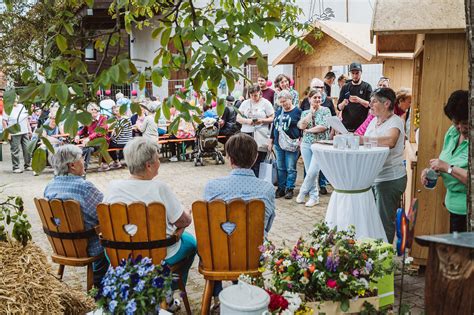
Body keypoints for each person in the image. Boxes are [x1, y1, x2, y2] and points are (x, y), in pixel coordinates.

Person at [104, 137, 196, 288]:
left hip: (119, 253)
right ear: (149, 166)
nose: (159, 161)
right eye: (157, 158)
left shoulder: (112, 187)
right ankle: (171, 292)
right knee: (191, 243)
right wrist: (186, 212)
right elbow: (184, 221)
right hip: (158, 254)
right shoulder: (160, 188)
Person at [203, 133, 276, 298]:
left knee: (215, 242)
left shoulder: (212, 187)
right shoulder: (267, 189)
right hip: (252, 255)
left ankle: (216, 296)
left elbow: (208, 224)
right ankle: (243, 290)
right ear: (256, 157)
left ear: (229, 158)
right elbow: (267, 225)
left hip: (217, 255)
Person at [44, 145, 108, 287]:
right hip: (87, 246)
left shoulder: (49, 187)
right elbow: (105, 213)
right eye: (81, 159)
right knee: (112, 239)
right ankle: (99, 285)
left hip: (61, 246)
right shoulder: (85, 187)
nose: (84, 162)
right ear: (72, 165)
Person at [421, 90, 468, 232]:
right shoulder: (452, 133)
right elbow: (446, 161)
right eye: (455, 123)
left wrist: (447, 167)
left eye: (464, 123)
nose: (459, 127)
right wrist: (434, 170)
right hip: (453, 207)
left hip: (468, 211)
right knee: (457, 253)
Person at [365, 88, 407, 243]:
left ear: (387, 103)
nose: (370, 104)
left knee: (384, 222)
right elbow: (362, 138)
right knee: (373, 220)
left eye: (374, 101)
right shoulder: (373, 121)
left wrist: (363, 141)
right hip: (374, 177)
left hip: (389, 179)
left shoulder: (395, 121)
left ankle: (384, 258)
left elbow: (390, 141)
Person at [296, 89, 331, 207]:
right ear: (309, 99)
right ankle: (314, 197)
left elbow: (324, 126)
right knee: (310, 171)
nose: (317, 99)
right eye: (315, 97)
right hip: (306, 144)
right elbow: (301, 125)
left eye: (319, 97)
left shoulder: (326, 110)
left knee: (313, 171)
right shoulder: (305, 112)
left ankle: (302, 191)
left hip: (320, 144)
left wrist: (308, 130)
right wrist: (311, 113)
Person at [269, 90, 302, 199]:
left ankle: (290, 188)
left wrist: (301, 141)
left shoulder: (297, 111)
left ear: (290, 99)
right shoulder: (279, 111)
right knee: (280, 167)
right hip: (278, 143)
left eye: (285, 101)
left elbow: (301, 127)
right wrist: (271, 140)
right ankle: (281, 188)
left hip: (291, 143)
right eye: (281, 102)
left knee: (290, 167)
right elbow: (274, 126)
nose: (283, 104)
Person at [236, 84, 274, 177]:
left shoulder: (265, 103)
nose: (253, 97)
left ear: (260, 93)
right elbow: (238, 118)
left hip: (260, 134)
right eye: (251, 95)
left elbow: (272, 118)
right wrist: (247, 121)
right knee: (246, 159)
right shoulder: (245, 103)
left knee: (258, 160)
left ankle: (257, 180)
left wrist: (262, 120)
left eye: (255, 95)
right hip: (247, 133)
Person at [337, 63, 373, 132]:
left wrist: (359, 100)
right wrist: (344, 103)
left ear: (361, 73)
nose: (355, 75)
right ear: (350, 73)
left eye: (357, 73)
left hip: (361, 126)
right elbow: (339, 107)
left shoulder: (367, 86)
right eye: (353, 73)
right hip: (346, 126)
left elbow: (370, 105)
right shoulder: (345, 87)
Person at [74, 103, 110, 171]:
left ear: (98, 111)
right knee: (89, 149)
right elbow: (83, 130)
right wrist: (77, 135)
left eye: (95, 109)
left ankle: (76, 161)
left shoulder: (103, 118)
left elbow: (99, 132)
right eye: (91, 110)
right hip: (92, 144)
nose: (93, 111)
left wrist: (88, 138)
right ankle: (84, 167)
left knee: (85, 146)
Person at [2, 100, 32, 173]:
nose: (15, 99)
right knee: (15, 150)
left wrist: (29, 129)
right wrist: (7, 133)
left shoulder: (21, 106)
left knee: (27, 148)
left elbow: (26, 119)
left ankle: (27, 165)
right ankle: (16, 167)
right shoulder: (7, 108)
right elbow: (4, 121)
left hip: (24, 131)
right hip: (14, 132)